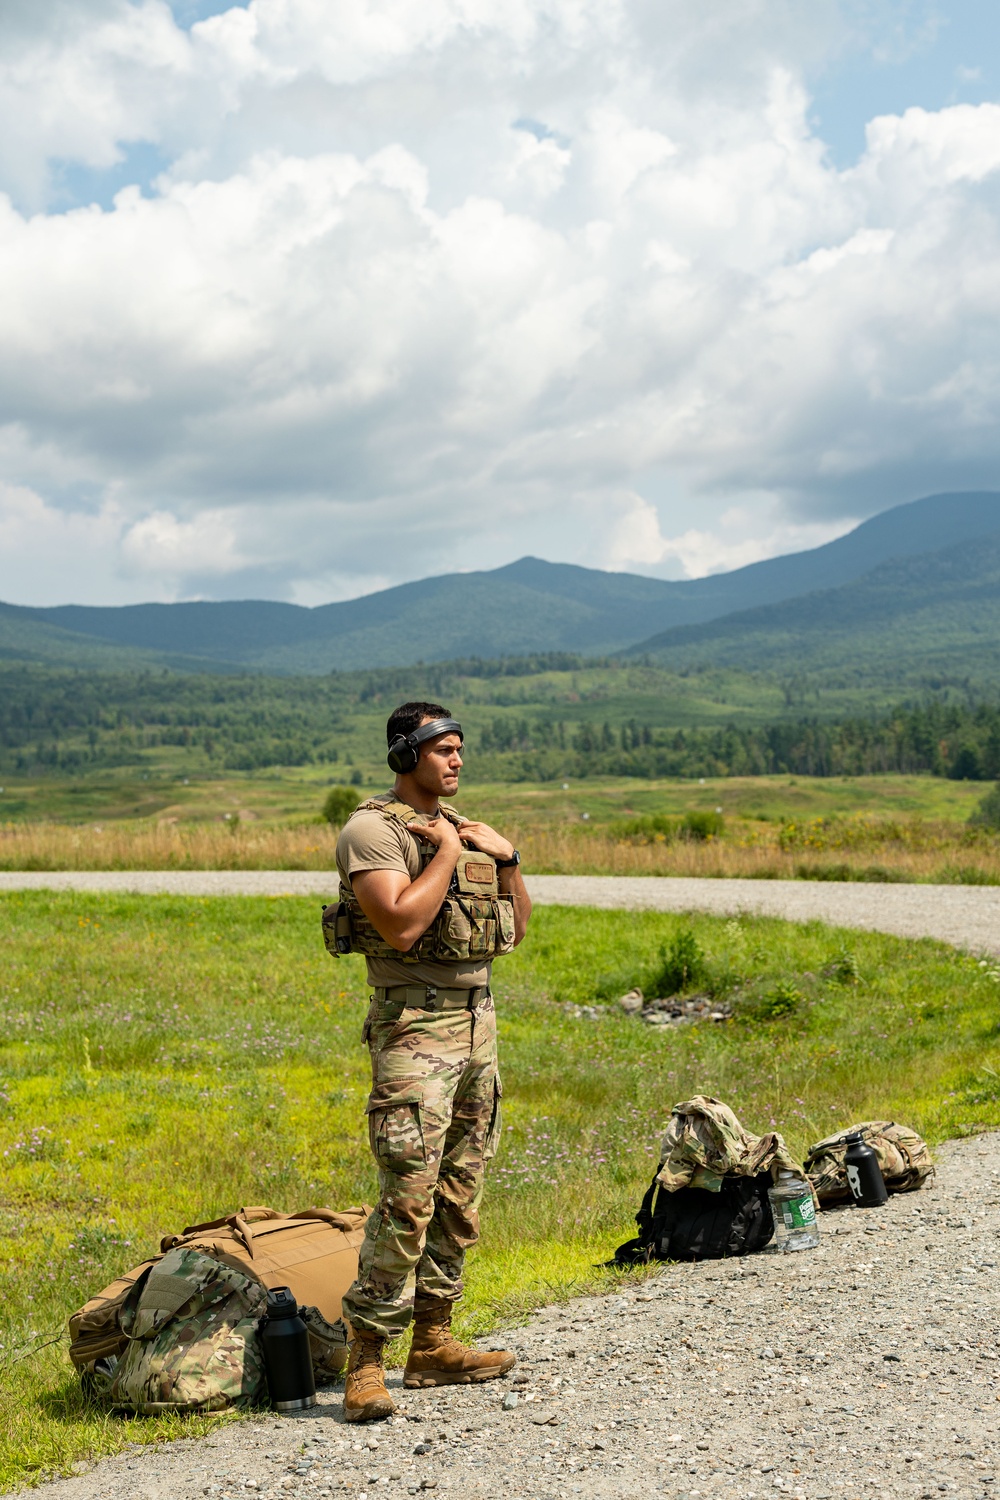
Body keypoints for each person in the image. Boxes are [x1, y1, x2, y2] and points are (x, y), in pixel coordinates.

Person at [334, 701, 532, 1423]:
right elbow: (402, 923)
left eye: (459, 750)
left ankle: (434, 1343)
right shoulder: (372, 832)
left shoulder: (466, 826)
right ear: (406, 755)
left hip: (477, 1027)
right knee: (407, 1198)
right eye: (443, 750)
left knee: (459, 1194)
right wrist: (450, 853)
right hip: (414, 1026)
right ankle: (365, 1363)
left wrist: (506, 861)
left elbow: (510, 934)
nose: (455, 761)